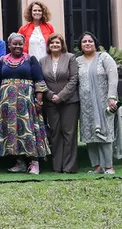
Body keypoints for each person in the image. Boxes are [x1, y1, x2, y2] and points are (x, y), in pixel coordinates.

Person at [0, 33, 50, 175]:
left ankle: (34, 162)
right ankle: (20, 162)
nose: (17, 46)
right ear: (9, 45)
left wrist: (39, 100)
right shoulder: (2, 60)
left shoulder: (31, 60)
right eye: (14, 44)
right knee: (12, 131)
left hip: (26, 100)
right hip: (7, 102)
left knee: (28, 129)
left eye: (20, 44)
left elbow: (39, 81)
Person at [77, 32, 122, 175]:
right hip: (86, 104)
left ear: (95, 43)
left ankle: (109, 166)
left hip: (104, 102)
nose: (87, 43)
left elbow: (113, 77)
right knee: (90, 135)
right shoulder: (78, 61)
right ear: (80, 45)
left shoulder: (104, 57)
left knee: (106, 132)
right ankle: (98, 166)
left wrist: (111, 97)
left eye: (90, 41)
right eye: (84, 41)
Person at [39, 33, 79, 173]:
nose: (55, 45)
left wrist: (61, 96)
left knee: (69, 133)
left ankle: (69, 167)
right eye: (52, 43)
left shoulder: (70, 58)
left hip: (69, 101)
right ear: (48, 45)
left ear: (62, 45)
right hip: (51, 102)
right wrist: (50, 95)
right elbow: (41, 81)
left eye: (57, 43)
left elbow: (74, 79)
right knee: (55, 133)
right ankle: (57, 166)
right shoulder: (43, 61)